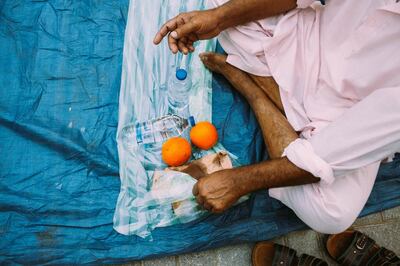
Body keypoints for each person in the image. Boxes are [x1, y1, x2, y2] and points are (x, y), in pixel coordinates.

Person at [153, 0, 400, 236]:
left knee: (332, 214)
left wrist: (239, 181)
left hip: (353, 118)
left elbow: (321, 161)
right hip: (310, 43)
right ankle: (283, 106)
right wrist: (217, 19)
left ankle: (253, 88)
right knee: (223, 6)